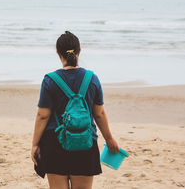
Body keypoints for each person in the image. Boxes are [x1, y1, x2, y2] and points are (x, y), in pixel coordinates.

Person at [31, 31, 119, 189]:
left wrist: (35, 144)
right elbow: (99, 114)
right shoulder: (92, 78)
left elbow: (42, 116)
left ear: (58, 54)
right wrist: (109, 139)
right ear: (79, 51)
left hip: (55, 143)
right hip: (85, 144)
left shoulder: (50, 80)